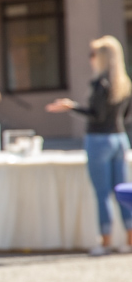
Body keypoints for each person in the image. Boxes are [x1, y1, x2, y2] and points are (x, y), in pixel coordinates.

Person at [45, 35, 132, 255]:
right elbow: (127, 116)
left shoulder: (100, 84)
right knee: (122, 192)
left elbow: (96, 114)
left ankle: (105, 241)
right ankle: (129, 239)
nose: (91, 59)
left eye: (93, 55)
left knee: (102, 193)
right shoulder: (124, 83)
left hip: (99, 140)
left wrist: (70, 107)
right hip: (119, 138)